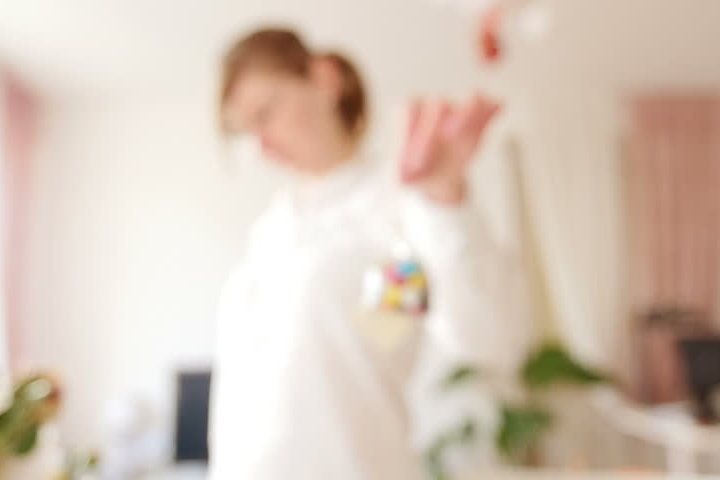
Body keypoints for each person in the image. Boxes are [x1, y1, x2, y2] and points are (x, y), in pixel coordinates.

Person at [210, 27, 530, 479]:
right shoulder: (271, 228)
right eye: (246, 131)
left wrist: (441, 202)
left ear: (324, 79)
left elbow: (478, 336)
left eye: (265, 114)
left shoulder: (397, 205)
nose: (261, 144)